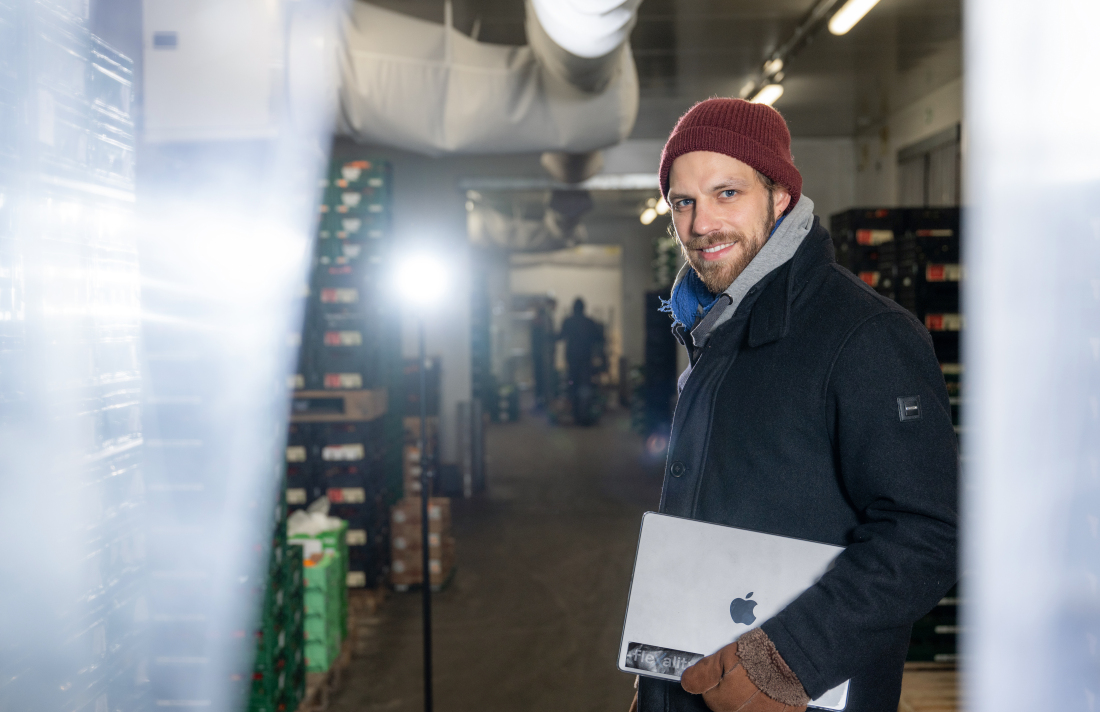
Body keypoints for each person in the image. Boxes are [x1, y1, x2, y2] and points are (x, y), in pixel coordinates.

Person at [630, 99, 958, 712]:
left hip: (798, 692)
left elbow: (931, 531)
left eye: (727, 193)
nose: (701, 224)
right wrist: (658, 687)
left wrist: (786, 659)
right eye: (684, 202)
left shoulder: (864, 336)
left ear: (779, 196)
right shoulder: (714, 330)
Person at [558, 298, 605, 424]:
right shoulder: (589, 322)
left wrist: (548, 336)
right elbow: (600, 338)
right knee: (584, 387)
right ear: (584, 308)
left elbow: (560, 336)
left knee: (572, 385)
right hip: (585, 360)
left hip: (572, 360)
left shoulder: (568, 321)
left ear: (573, 308)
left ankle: (574, 414)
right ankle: (583, 415)